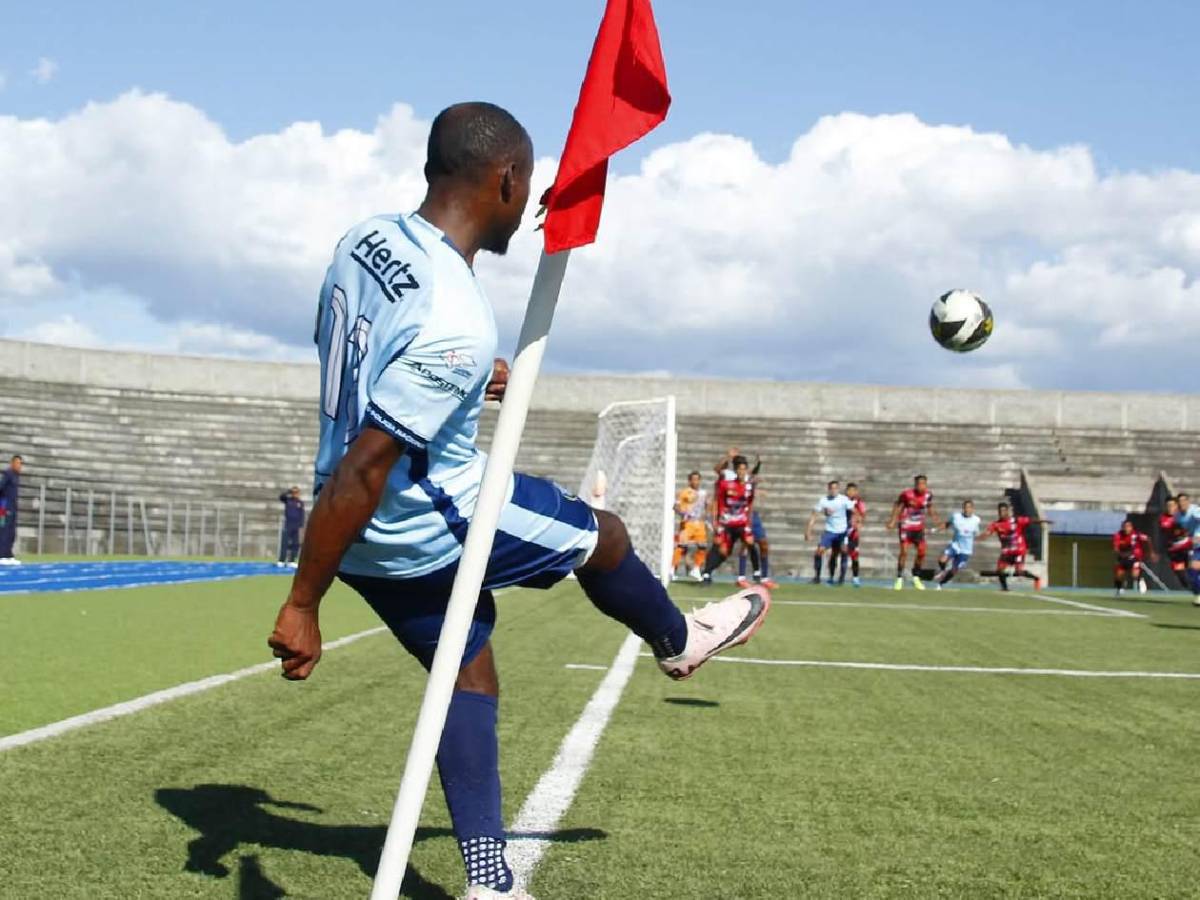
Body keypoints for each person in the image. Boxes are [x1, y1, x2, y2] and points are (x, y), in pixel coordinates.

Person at [265, 103, 770, 900]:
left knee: (468, 674)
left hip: (357, 536)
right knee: (604, 537)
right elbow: (369, 466)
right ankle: (679, 639)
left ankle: (489, 880)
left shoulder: (366, 238)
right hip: (424, 517)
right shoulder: (457, 318)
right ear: (505, 179)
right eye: (526, 183)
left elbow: (370, 347)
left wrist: (465, 381)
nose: (528, 199)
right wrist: (302, 602)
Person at [701, 454, 760, 586]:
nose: (742, 472)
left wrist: (749, 521)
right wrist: (715, 521)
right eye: (739, 469)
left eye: (744, 469)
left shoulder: (749, 486)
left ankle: (757, 572)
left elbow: (750, 504)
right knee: (721, 550)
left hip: (741, 522)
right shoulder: (726, 484)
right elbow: (717, 501)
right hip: (726, 522)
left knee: (750, 541)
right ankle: (706, 574)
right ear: (735, 471)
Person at [886, 475, 939, 591]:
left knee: (922, 552)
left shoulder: (928, 495)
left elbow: (929, 506)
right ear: (915, 485)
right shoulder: (907, 494)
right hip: (906, 526)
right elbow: (898, 505)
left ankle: (916, 576)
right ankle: (899, 578)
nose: (921, 486)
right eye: (919, 484)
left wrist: (935, 518)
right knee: (904, 552)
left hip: (919, 528)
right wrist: (893, 521)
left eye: (923, 484)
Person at [983, 502, 1050, 591]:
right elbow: (988, 532)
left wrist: (1043, 521)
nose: (1001, 513)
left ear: (1007, 511)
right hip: (1007, 552)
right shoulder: (996, 524)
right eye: (1000, 511)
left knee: (1019, 572)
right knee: (1000, 570)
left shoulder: (1016, 520)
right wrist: (982, 536)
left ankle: (1036, 578)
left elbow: (1031, 520)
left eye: (1003, 511)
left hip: (1019, 550)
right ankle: (1005, 589)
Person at [806, 480, 856, 586]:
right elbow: (814, 516)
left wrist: (854, 523)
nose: (833, 490)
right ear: (828, 489)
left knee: (843, 551)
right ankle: (817, 577)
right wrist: (808, 531)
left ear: (838, 489)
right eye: (831, 488)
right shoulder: (824, 500)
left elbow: (854, 511)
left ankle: (841, 579)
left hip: (842, 531)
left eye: (835, 488)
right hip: (830, 531)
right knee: (819, 551)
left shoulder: (844, 499)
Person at [932, 500, 982, 589]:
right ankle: (943, 571)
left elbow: (977, 534)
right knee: (942, 560)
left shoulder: (976, 520)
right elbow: (947, 524)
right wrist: (935, 530)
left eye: (969, 507)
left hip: (966, 550)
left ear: (972, 509)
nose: (967, 509)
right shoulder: (956, 517)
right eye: (965, 507)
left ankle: (941, 584)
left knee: (954, 570)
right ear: (963, 508)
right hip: (955, 545)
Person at [672, 471, 708, 581]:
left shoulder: (703, 493)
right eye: (693, 479)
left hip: (699, 523)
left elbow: (706, 506)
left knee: (703, 546)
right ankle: (672, 569)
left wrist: (706, 517)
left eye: (697, 479)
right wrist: (683, 513)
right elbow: (675, 506)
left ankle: (696, 569)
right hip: (688, 523)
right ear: (689, 481)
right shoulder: (684, 492)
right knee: (681, 546)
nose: (695, 482)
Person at [1112, 518, 1152, 597]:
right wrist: (1120, 553)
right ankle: (1119, 589)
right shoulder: (1118, 535)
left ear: (1131, 527)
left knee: (1135, 574)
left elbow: (1147, 539)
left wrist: (1150, 552)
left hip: (1134, 557)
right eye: (1125, 526)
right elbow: (1116, 547)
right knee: (1118, 574)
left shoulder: (1136, 535)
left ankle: (1140, 580)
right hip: (1123, 557)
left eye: (1128, 526)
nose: (1126, 528)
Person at [1174, 493, 1200, 605]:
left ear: (1188, 501)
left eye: (1184, 500)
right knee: (1191, 571)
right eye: (1180, 501)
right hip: (1194, 545)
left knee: (1193, 567)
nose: (1182, 503)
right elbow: (1182, 530)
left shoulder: (1195, 511)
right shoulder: (1178, 516)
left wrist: (1197, 535)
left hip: (1198, 542)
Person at [1159, 497, 1191, 587]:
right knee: (1180, 574)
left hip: (1187, 547)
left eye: (1172, 505)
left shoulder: (1184, 515)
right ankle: (1191, 588)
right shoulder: (1164, 519)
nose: (1170, 508)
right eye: (1168, 506)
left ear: (1177, 506)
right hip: (1174, 550)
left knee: (1193, 568)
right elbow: (1168, 530)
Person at [839, 482, 866, 587]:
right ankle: (841, 578)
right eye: (848, 490)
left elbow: (862, 516)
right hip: (841, 531)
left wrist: (858, 525)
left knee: (854, 556)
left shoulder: (859, 503)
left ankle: (855, 578)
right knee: (842, 553)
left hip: (853, 533)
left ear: (856, 492)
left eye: (852, 490)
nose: (850, 492)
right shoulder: (842, 501)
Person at [0, 455, 22, 565]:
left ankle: (8, 555)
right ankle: (2, 555)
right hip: (4, 507)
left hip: (13, 507)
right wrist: (3, 506)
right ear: (12, 463)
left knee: (12, 532)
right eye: (17, 463)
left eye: (20, 463)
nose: (19, 465)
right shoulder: (8, 474)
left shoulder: (16, 476)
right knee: (4, 531)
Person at [276, 486, 306, 568]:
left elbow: (302, 515)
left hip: (297, 526)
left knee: (295, 544)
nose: (295, 494)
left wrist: (301, 526)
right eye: (294, 492)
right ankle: (281, 560)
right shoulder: (288, 500)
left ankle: (291, 561)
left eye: (296, 492)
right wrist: (288, 491)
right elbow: (281, 497)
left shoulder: (300, 503)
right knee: (285, 543)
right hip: (288, 525)